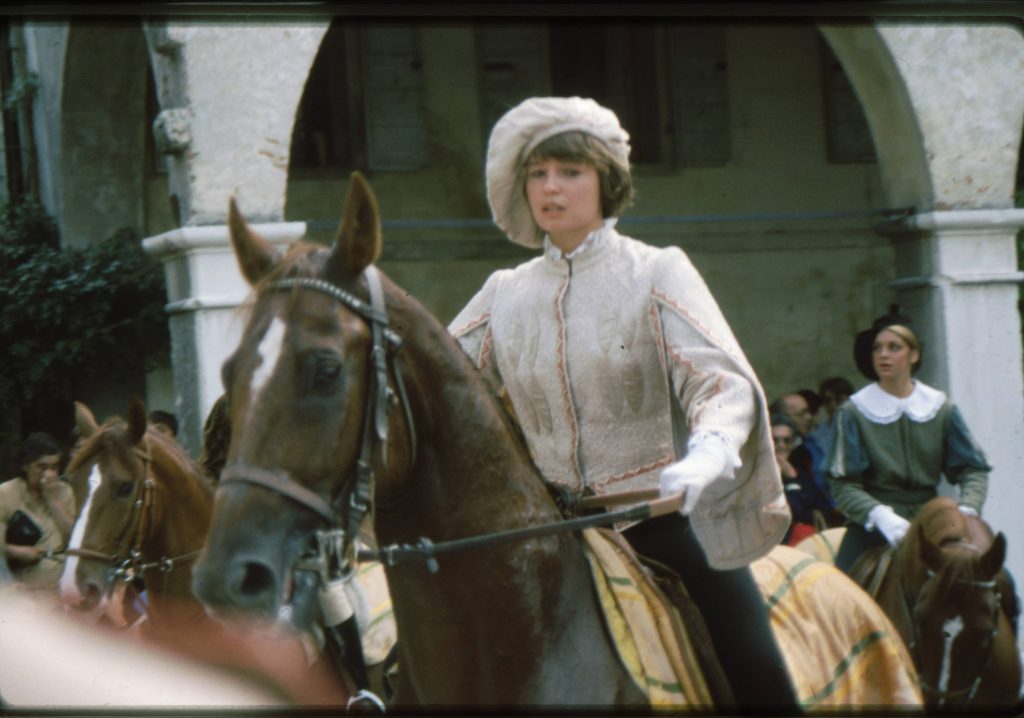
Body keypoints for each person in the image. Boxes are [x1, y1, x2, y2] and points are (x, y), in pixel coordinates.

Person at [448, 96, 798, 713]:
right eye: (537, 173)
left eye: (569, 171)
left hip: (658, 525)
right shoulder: (504, 292)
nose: (550, 188)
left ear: (606, 181)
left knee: (757, 676)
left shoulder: (657, 271)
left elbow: (722, 383)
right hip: (542, 534)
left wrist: (708, 454)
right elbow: (436, 384)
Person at [827, 313, 990, 574]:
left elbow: (974, 469)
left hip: (933, 519)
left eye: (894, 347)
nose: (883, 355)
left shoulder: (939, 407)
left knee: (986, 583)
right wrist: (880, 516)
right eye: (877, 348)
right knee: (841, 596)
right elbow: (843, 484)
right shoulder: (854, 411)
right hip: (874, 524)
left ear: (913, 355)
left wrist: (967, 509)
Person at [0, 432, 76, 592]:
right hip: (22, 576)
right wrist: (14, 551)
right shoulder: (6, 493)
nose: (49, 474)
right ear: (25, 466)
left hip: (60, 570)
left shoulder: (64, 491)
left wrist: (53, 500)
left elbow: (74, 539)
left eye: (54, 467)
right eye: (42, 467)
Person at [771, 413, 836, 545]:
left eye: (786, 440)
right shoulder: (756, 474)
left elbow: (823, 508)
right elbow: (794, 513)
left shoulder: (799, 470)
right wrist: (791, 480)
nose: (781, 446)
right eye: (774, 440)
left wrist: (792, 477)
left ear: (794, 442)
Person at [809, 376, 854, 459]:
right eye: (828, 400)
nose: (833, 405)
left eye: (839, 400)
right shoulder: (816, 437)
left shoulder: (861, 429)